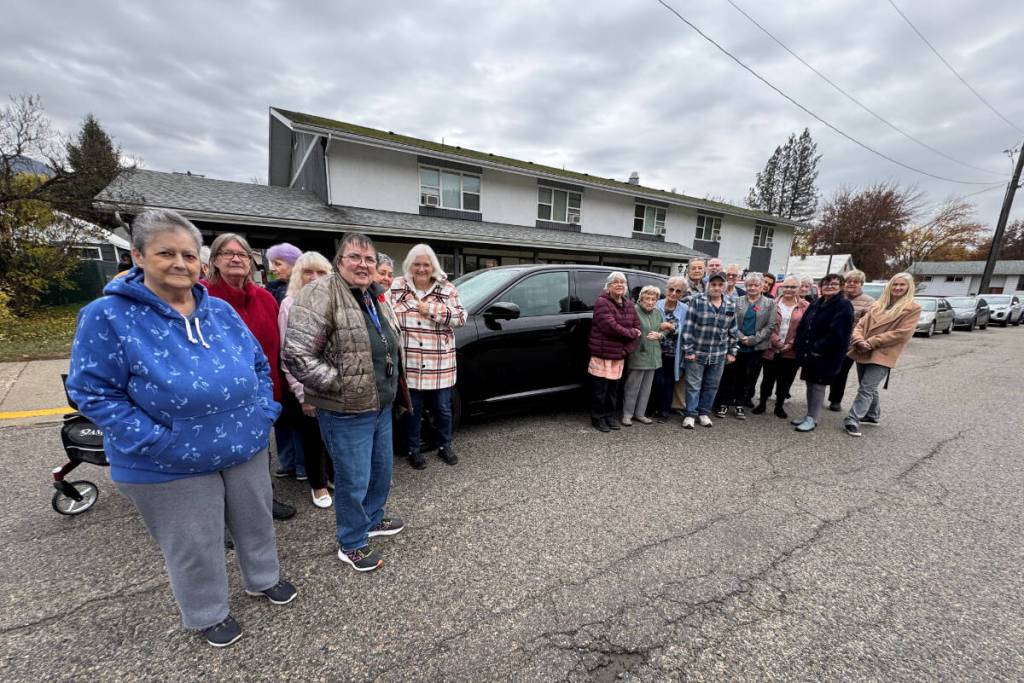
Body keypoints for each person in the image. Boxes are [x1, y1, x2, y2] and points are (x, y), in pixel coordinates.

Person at [66, 209, 294, 648]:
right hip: (168, 460)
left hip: (243, 445)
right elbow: (92, 392)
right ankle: (208, 613)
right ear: (138, 256)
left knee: (256, 521)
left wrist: (263, 412)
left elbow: (259, 365)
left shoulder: (220, 311)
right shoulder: (107, 316)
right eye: (165, 253)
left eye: (189, 255)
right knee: (194, 541)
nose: (180, 263)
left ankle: (263, 577)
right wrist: (156, 439)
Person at [284, 232, 408, 572]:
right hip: (346, 409)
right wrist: (340, 386)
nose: (363, 264)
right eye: (355, 257)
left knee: (381, 471)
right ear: (339, 261)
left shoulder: (373, 295)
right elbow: (296, 355)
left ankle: (372, 519)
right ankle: (351, 542)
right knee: (353, 479)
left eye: (369, 259)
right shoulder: (320, 293)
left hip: (380, 404)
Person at [204, 233, 295, 520]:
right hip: (218, 397)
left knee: (259, 447)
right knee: (220, 456)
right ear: (215, 260)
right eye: (228, 253)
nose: (236, 259)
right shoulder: (202, 297)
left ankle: (263, 497)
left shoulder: (265, 298)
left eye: (242, 254)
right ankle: (221, 513)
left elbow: (279, 345)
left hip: (263, 392)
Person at [389, 243, 466, 469]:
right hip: (411, 363)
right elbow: (385, 313)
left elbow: (461, 317)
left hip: (439, 363)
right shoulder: (397, 286)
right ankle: (413, 450)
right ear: (409, 265)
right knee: (412, 411)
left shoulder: (446, 288)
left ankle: (445, 445)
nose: (421, 269)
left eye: (426, 264)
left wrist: (431, 310)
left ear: (433, 266)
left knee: (443, 409)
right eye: (417, 264)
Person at [279, 251, 335, 508]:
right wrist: (303, 394)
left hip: (333, 383)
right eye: (308, 272)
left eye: (321, 272)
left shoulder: (334, 303)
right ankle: (318, 485)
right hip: (308, 385)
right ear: (297, 275)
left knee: (333, 435)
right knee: (313, 438)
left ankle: (331, 476)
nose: (314, 277)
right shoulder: (290, 304)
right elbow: (289, 355)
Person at [843, 273, 921, 437]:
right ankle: (872, 415)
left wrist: (872, 341)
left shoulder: (912, 308)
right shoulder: (878, 305)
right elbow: (860, 325)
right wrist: (858, 340)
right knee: (867, 386)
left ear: (909, 287)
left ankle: (853, 419)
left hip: (883, 352)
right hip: (863, 348)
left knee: (866, 388)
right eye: (895, 284)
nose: (898, 288)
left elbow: (902, 333)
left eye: (902, 285)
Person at [792, 273, 855, 432]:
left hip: (826, 354)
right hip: (810, 352)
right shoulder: (817, 303)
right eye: (826, 284)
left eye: (834, 284)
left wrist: (817, 347)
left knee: (818, 385)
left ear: (841, 287)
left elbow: (838, 334)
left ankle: (813, 419)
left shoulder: (843, 305)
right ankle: (809, 415)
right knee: (810, 383)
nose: (829, 286)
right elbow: (804, 325)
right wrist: (800, 344)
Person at [681, 272, 738, 429]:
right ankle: (690, 415)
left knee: (712, 385)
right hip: (697, 352)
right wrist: (689, 350)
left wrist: (732, 351)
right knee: (693, 385)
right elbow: (688, 327)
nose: (716, 288)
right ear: (708, 285)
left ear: (724, 287)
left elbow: (733, 329)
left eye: (720, 285)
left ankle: (703, 413)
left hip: (719, 353)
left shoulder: (730, 303)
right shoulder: (697, 300)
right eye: (713, 285)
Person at [715, 273, 776, 419]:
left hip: (755, 347)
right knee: (729, 375)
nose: (752, 288)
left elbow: (770, 325)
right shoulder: (737, 301)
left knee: (747, 377)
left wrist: (753, 340)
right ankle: (724, 403)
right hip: (736, 344)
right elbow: (730, 321)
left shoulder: (769, 303)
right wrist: (741, 336)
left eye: (756, 285)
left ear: (762, 286)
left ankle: (739, 404)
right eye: (749, 285)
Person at [587, 271, 641, 432]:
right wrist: (631, 333)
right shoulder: (602, 302)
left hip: (619, 354)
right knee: (600, 391)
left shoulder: (629, 304)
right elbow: (611, 327)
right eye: (615, 282)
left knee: (613, 390)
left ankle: (610, 416)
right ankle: (598, 418)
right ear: (608, 286)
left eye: (622, 282)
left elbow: (637, 327)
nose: (619, 285)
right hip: (603, 354)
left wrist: (626, 350)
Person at [754, 275, 808, 418]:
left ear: (799, 288)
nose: (789, 289)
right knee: (767, 378)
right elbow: (765, 325)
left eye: (793, 287)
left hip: (791, 351)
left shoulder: (805, 306)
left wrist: (791, 344)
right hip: (771, 348)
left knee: (785, 380)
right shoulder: (771, 303)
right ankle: (762, 404)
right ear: (781, 288)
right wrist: (777, 342)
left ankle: (779, 406)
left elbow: (805, 328)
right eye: (786, 286)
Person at [827, 269, 875, 411]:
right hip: (830, 341)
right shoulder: (837, 297)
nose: (851, 284)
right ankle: (816, 397)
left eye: (856, 282)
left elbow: (866, 326)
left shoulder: (869, 302)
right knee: (826, 369)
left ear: (861, 284)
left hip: (849, 344)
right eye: (848, 281)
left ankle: (835, 400)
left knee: (841, 372)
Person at [622, 285, 664, 426]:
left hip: (653, 356)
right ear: (641, 299)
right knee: (632, 387)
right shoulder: (634, 311)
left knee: (646, 389)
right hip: (638, 355)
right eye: (647, 298)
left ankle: (640, 414)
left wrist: (661, 335)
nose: (650, 302)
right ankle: (627, 414)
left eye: (653, 299)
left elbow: (664, 329)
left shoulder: (657, 312)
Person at [653, 277, 688, 422]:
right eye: (671, 289)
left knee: (668, 382)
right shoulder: (656, 304)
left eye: (678, 291)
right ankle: (653, 408)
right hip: (655, 351)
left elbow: (686, 331)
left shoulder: (685, 309)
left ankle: (664, 411)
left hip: (673, 352)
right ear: (666, 289)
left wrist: (672, 328)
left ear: (682, 294)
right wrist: (660, 326)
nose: (674, 293)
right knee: (656, 380)